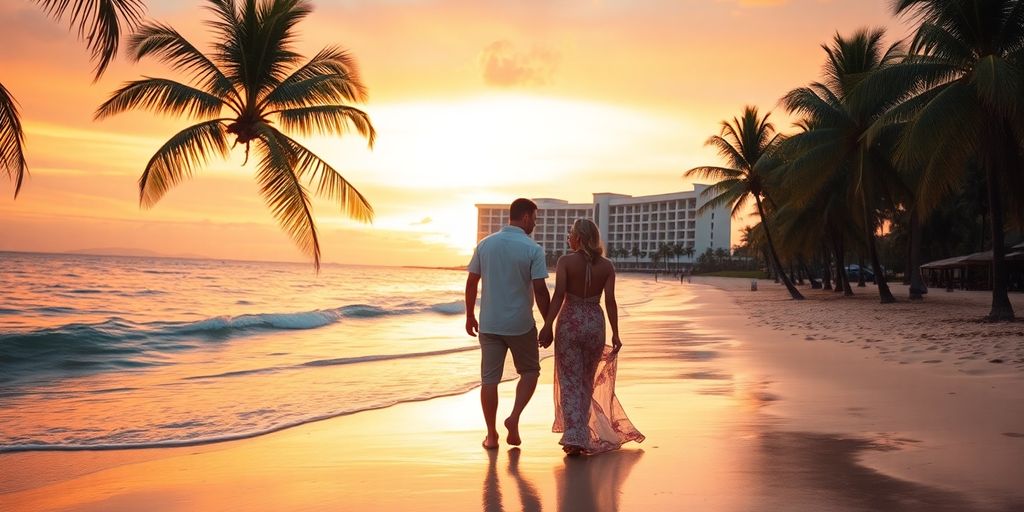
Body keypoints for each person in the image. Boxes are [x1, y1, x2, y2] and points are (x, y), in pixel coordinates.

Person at [538, 219, 644, 456]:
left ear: (578, 237)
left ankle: (574, 436)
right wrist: (616, 332)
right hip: (595, 323)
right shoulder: (607, 266)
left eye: (570, 234)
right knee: (586, 380)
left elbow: (559, 296)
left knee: (569, 380)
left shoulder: (565, 261)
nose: (568, 237)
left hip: (570, 323)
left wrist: (547, 325)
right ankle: (580, 434)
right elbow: (610, 301)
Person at [465, 198, 551, 450]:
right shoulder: (533, 249)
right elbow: (541, 291)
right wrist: (548, 323)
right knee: (530, 371)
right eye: (534, 218)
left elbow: (472, 282)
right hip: (520, 324)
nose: (535, 223)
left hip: (489, 323)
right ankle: (513, 418)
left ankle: (491, 436)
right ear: (525, 217)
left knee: (489, 380)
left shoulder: (485, 244)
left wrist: (470, 315)